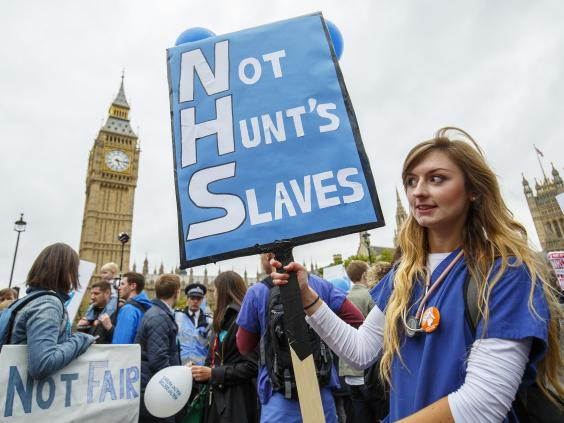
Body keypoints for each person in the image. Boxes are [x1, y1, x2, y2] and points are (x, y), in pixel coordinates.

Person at [271, 127, 563, 423]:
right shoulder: (404, 275)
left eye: (437, 179)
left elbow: (482, 406)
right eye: (412, 181)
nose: (418, 190)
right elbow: (360, 352)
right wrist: (308, 297)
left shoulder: (505, 274)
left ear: (473, 190)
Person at [236, 252, 365, 423]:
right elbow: (356, 319)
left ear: (269, 256)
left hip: (278, 395)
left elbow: (243, 346)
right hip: (321, 390)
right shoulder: (318, 285)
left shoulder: (258, 292)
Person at [8, 243, 95, 379]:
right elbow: (42, 365)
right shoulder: (48, 304)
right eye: (74, 271)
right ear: (64, 271)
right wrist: (81, 339)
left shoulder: (25, 301)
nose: (77, 277)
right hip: (25, 393)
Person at [190, 271, 259, 423]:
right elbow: (214, 361)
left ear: (223, 292)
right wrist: (197, 371)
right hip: (217, 400)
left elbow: (252, 366)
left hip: (237, 403)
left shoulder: (243, 320)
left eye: (214, 290)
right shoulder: (222, 320)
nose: (213, 294)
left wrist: (213, 374)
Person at [137, 274, 182, 423]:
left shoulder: (157, 313)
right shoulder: (159, 317)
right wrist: (177, 379)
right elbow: (158, 359)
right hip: (156, 390)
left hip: (151, 386)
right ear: (177, 292)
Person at [338, 261, 375, 423]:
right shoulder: (370, 295)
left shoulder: (343, 298)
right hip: (367, 371)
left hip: (348, 370)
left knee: (360, 416)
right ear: (364, 275)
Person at [175, 282, 213, 365]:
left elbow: (212, 346)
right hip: (180, 366)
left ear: (202, 300)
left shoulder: (209, 321)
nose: (195, 301)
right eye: (192, 298)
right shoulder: (177, 316)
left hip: (201, 369)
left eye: (198, 299)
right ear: (187, 299)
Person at [111, 272, 152, 344]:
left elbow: (121, 343)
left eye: (122, 284)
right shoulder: (145, 306)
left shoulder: (128, 309)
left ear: (133, 286)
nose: (119, 288)